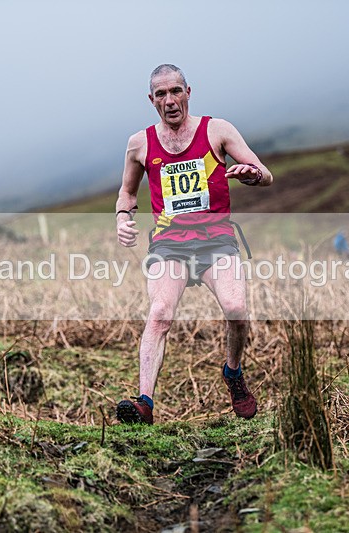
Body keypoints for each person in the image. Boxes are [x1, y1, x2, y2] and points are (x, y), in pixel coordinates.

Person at [114, 64, 273, 424]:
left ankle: (233, 373)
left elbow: (265, 175)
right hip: (170, 244)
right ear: (151, 100)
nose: (170, 101)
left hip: (216, 239)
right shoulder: (139, 143)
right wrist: (123, 219)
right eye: (161, 95)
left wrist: (252, 175)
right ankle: (144, 404)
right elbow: (126, 193)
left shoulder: (217, 130)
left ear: (189, 92)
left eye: (175, 91)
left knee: (235, 308)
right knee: (160, 314)